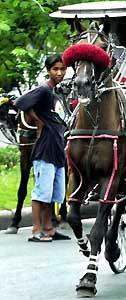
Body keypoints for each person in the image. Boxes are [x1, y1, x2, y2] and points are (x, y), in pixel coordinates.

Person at [14, 54, 70, 241]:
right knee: (41, 193)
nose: (59, 73)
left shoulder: (56, 92)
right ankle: (36, 230)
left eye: (62, 69)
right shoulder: (44, 90)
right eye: (55, 69)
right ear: (48, 71)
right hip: (45, 149)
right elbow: (21, 102)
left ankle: (49, 227)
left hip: (57, 148)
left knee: (55, 193)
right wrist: (38, 122)